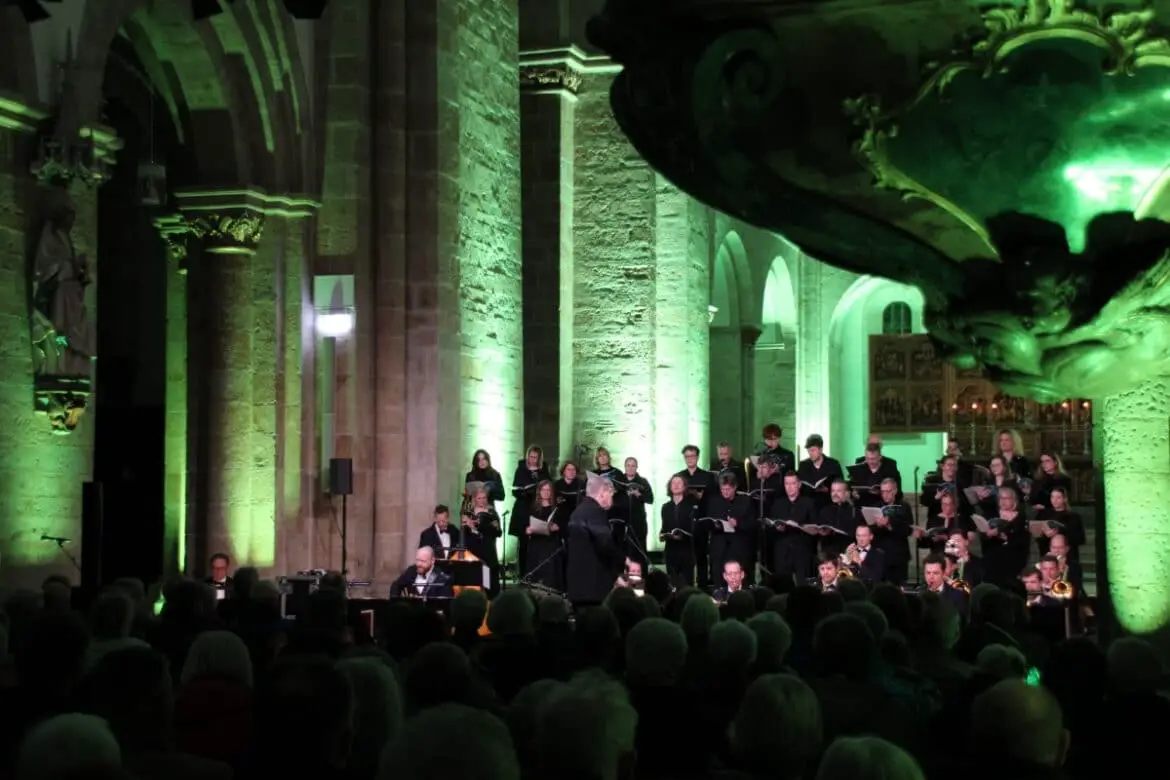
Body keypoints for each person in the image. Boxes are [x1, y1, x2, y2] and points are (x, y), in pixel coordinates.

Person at [565, 475, 624, 608]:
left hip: (577, 586)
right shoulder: (596, 512)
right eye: (611, 494)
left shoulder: (578, 511)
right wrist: (618, 571)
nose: (612, 498)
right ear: (602, 493)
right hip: (593, 587)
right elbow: (605, 545)